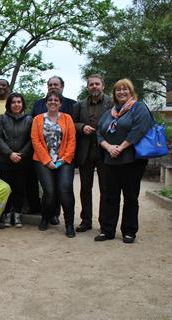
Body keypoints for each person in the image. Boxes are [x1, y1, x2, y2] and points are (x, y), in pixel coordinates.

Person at [95, 78, 152, 243]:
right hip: (110, 161)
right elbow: (99, 133)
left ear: (131, 91)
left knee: (130, 197)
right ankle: (107, 230)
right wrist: (109, 147)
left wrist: (121, 147)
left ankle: (129, 231)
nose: (121, 92)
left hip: (132, 161)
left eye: (125, 89)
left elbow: (139, 129)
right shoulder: (109, 112)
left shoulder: (139, 108)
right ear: (114, 94)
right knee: (110, 197)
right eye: (118, 90)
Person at [31, 76, 77, 225]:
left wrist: (64, 158)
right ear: (46, 103)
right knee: (49, 192)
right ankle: (46, 218)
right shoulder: (37, 119)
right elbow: (36, 140)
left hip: (64, 160)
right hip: (43, 160)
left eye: (56, 100)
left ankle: (69, 224)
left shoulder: (67, 118)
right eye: (50, 100)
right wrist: (47, 161)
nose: (53, 102)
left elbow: (71, 140)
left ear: (60, 103)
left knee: (64, 190)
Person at [72, 74, 112, 232]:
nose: (94, 87)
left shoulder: (112, 102)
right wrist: (81, 127)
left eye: (97, 84)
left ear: (103, 86)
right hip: (86, 152)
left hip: (105, 152)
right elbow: (71, 123)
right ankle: (86, 221)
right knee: (85, 188)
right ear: (87, 87)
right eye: (91, 84)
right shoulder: (79, 105)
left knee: (105, 189)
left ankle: (104, 222)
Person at [0, 93, 41, 228]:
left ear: (22, 104)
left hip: (22, 160)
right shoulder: (2, 119)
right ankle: (7, 213)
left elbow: (32, 139)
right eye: (13, 102)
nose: (16, 104)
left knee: (20, 188)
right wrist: (9, 154)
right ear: (9, 104)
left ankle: (18, 213)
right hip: (5, 160)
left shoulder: (29, 120)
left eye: (19, 102)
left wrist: (21, 154)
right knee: (8, 188)